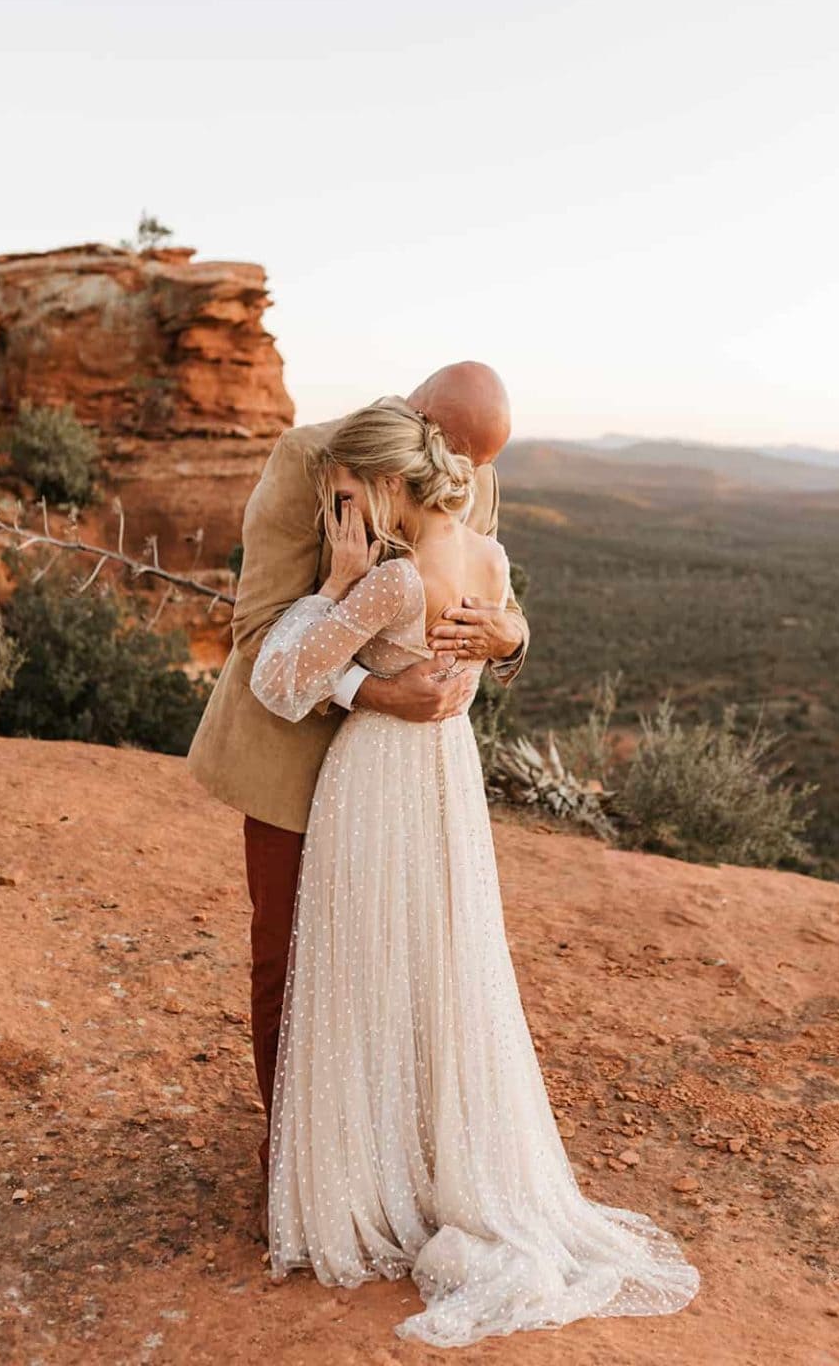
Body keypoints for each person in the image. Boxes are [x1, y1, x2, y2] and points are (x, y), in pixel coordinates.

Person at [245, 395, 701, 1347]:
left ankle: (369, 1176)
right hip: (447, 785)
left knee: (362, 968)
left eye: (346, 500)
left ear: (378, 486)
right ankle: (429, 1151)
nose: (344, 519)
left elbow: (278, 680)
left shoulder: (388, 583)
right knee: (441, 962)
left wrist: (335, 580)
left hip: (375, 783)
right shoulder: (487, 559)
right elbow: (494, 614)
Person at [185, 362, 530, 1234]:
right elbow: (260, 629)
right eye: (449, 449)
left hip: (409, 777)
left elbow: (493, 596)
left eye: (476, 463)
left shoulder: (472, 474)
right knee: (291, 959)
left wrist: (509, 637)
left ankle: (384, 1155)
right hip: (295, 749)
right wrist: (376, 695)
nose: (457, 474)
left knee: (396, 960)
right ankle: (292, 1166)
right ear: (415, 418)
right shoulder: (308, 458)